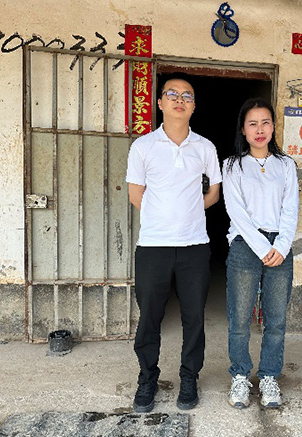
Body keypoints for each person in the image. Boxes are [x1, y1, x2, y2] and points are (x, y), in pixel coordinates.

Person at [126, 75, 222, 413]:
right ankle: (147, 378)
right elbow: (136, 195)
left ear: (194, 106)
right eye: (172, 94)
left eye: (187, 96)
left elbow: (213, 192)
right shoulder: (143, 147)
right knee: (150, 317)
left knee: (194, 317)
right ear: (160, 103)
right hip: (153, 247)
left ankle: (189, 377)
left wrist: (189, 211)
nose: (179, 100)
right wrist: (164, 216)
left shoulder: (205, 147)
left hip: (194, 246)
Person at [222, 98, 299, 408]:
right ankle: (240, 375)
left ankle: (269, 376)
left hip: (280, 246)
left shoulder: (286, 165)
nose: (259, 129)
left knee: (276, 319)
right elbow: (236, 211)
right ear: (243, 129)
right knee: (240, 319)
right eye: (252, 123)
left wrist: (280, 246)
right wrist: (264, 248)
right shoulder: (233, 165)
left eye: (265, 122)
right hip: (245, 244)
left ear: (273, 127)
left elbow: (291, 208)